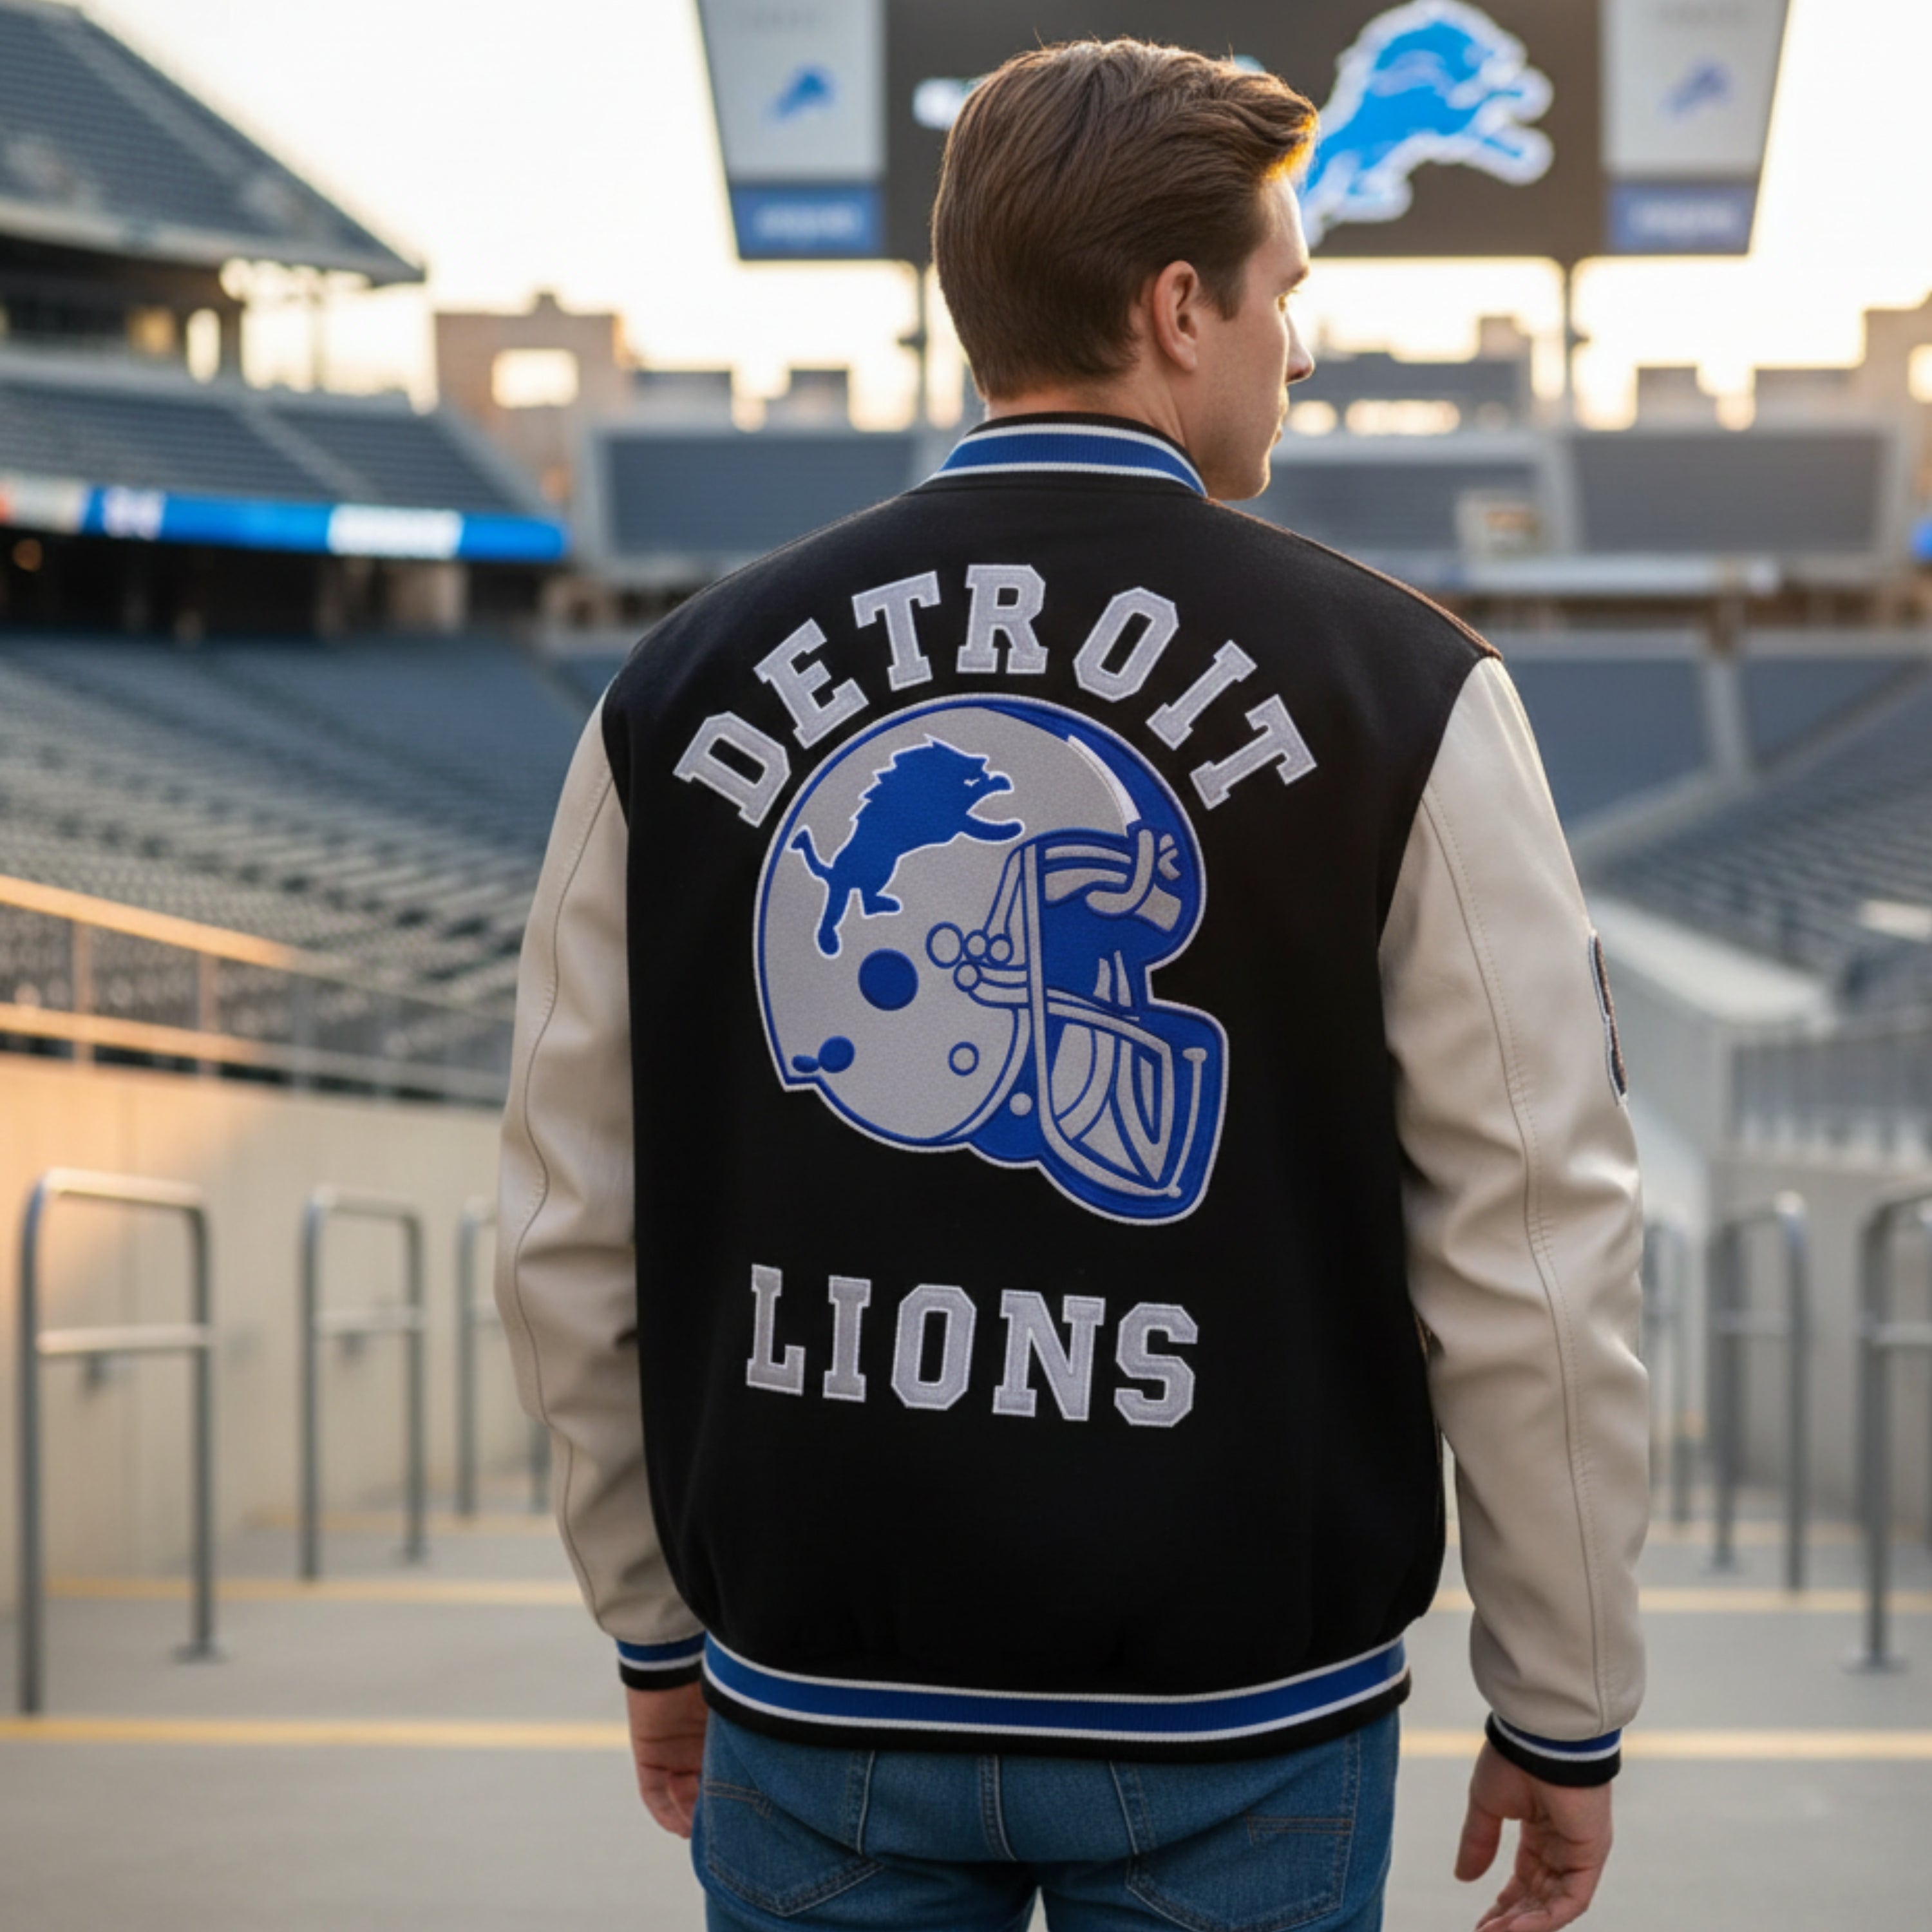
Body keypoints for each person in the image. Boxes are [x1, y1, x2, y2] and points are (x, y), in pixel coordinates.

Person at [497, 37, 1647, 1932]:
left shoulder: (679, 686)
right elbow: (1533, 1240)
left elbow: (565, 1230)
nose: (1300, 349)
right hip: (1242, 1717)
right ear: (1178, 309)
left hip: (817, 1700)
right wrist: (1565, 1693)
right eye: (1283, 295)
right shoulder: (1405, 687)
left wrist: (649, 1619)